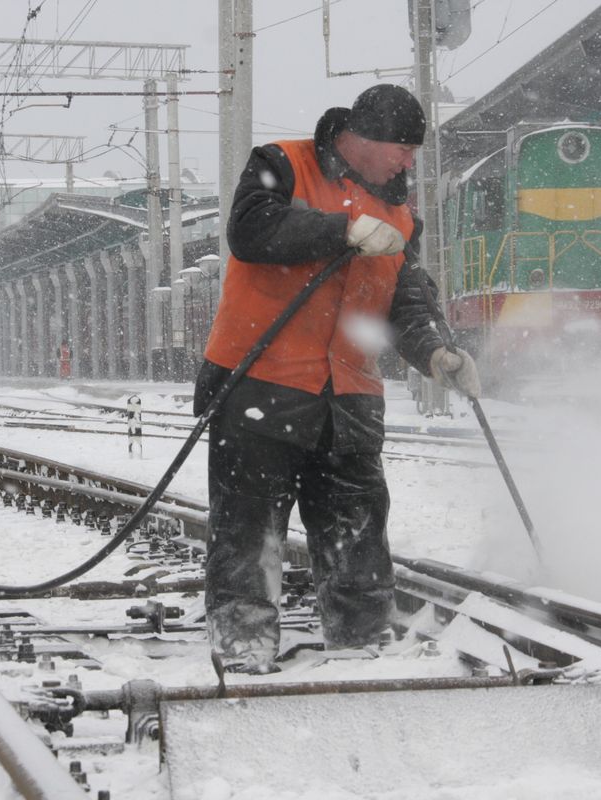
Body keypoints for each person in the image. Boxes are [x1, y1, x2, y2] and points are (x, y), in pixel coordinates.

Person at [194, 84, 481, 674]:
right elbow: (250, 232)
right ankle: (244, 646)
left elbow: (405, 299)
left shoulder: (402, 215)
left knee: (358, 532)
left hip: (347, 400)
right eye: (403, 149)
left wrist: (436, 352)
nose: (409, 162)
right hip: (259, 387)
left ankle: (362, 641)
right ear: (361, 139)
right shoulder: (282, 166)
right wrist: (343, 229)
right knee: (249, 530)